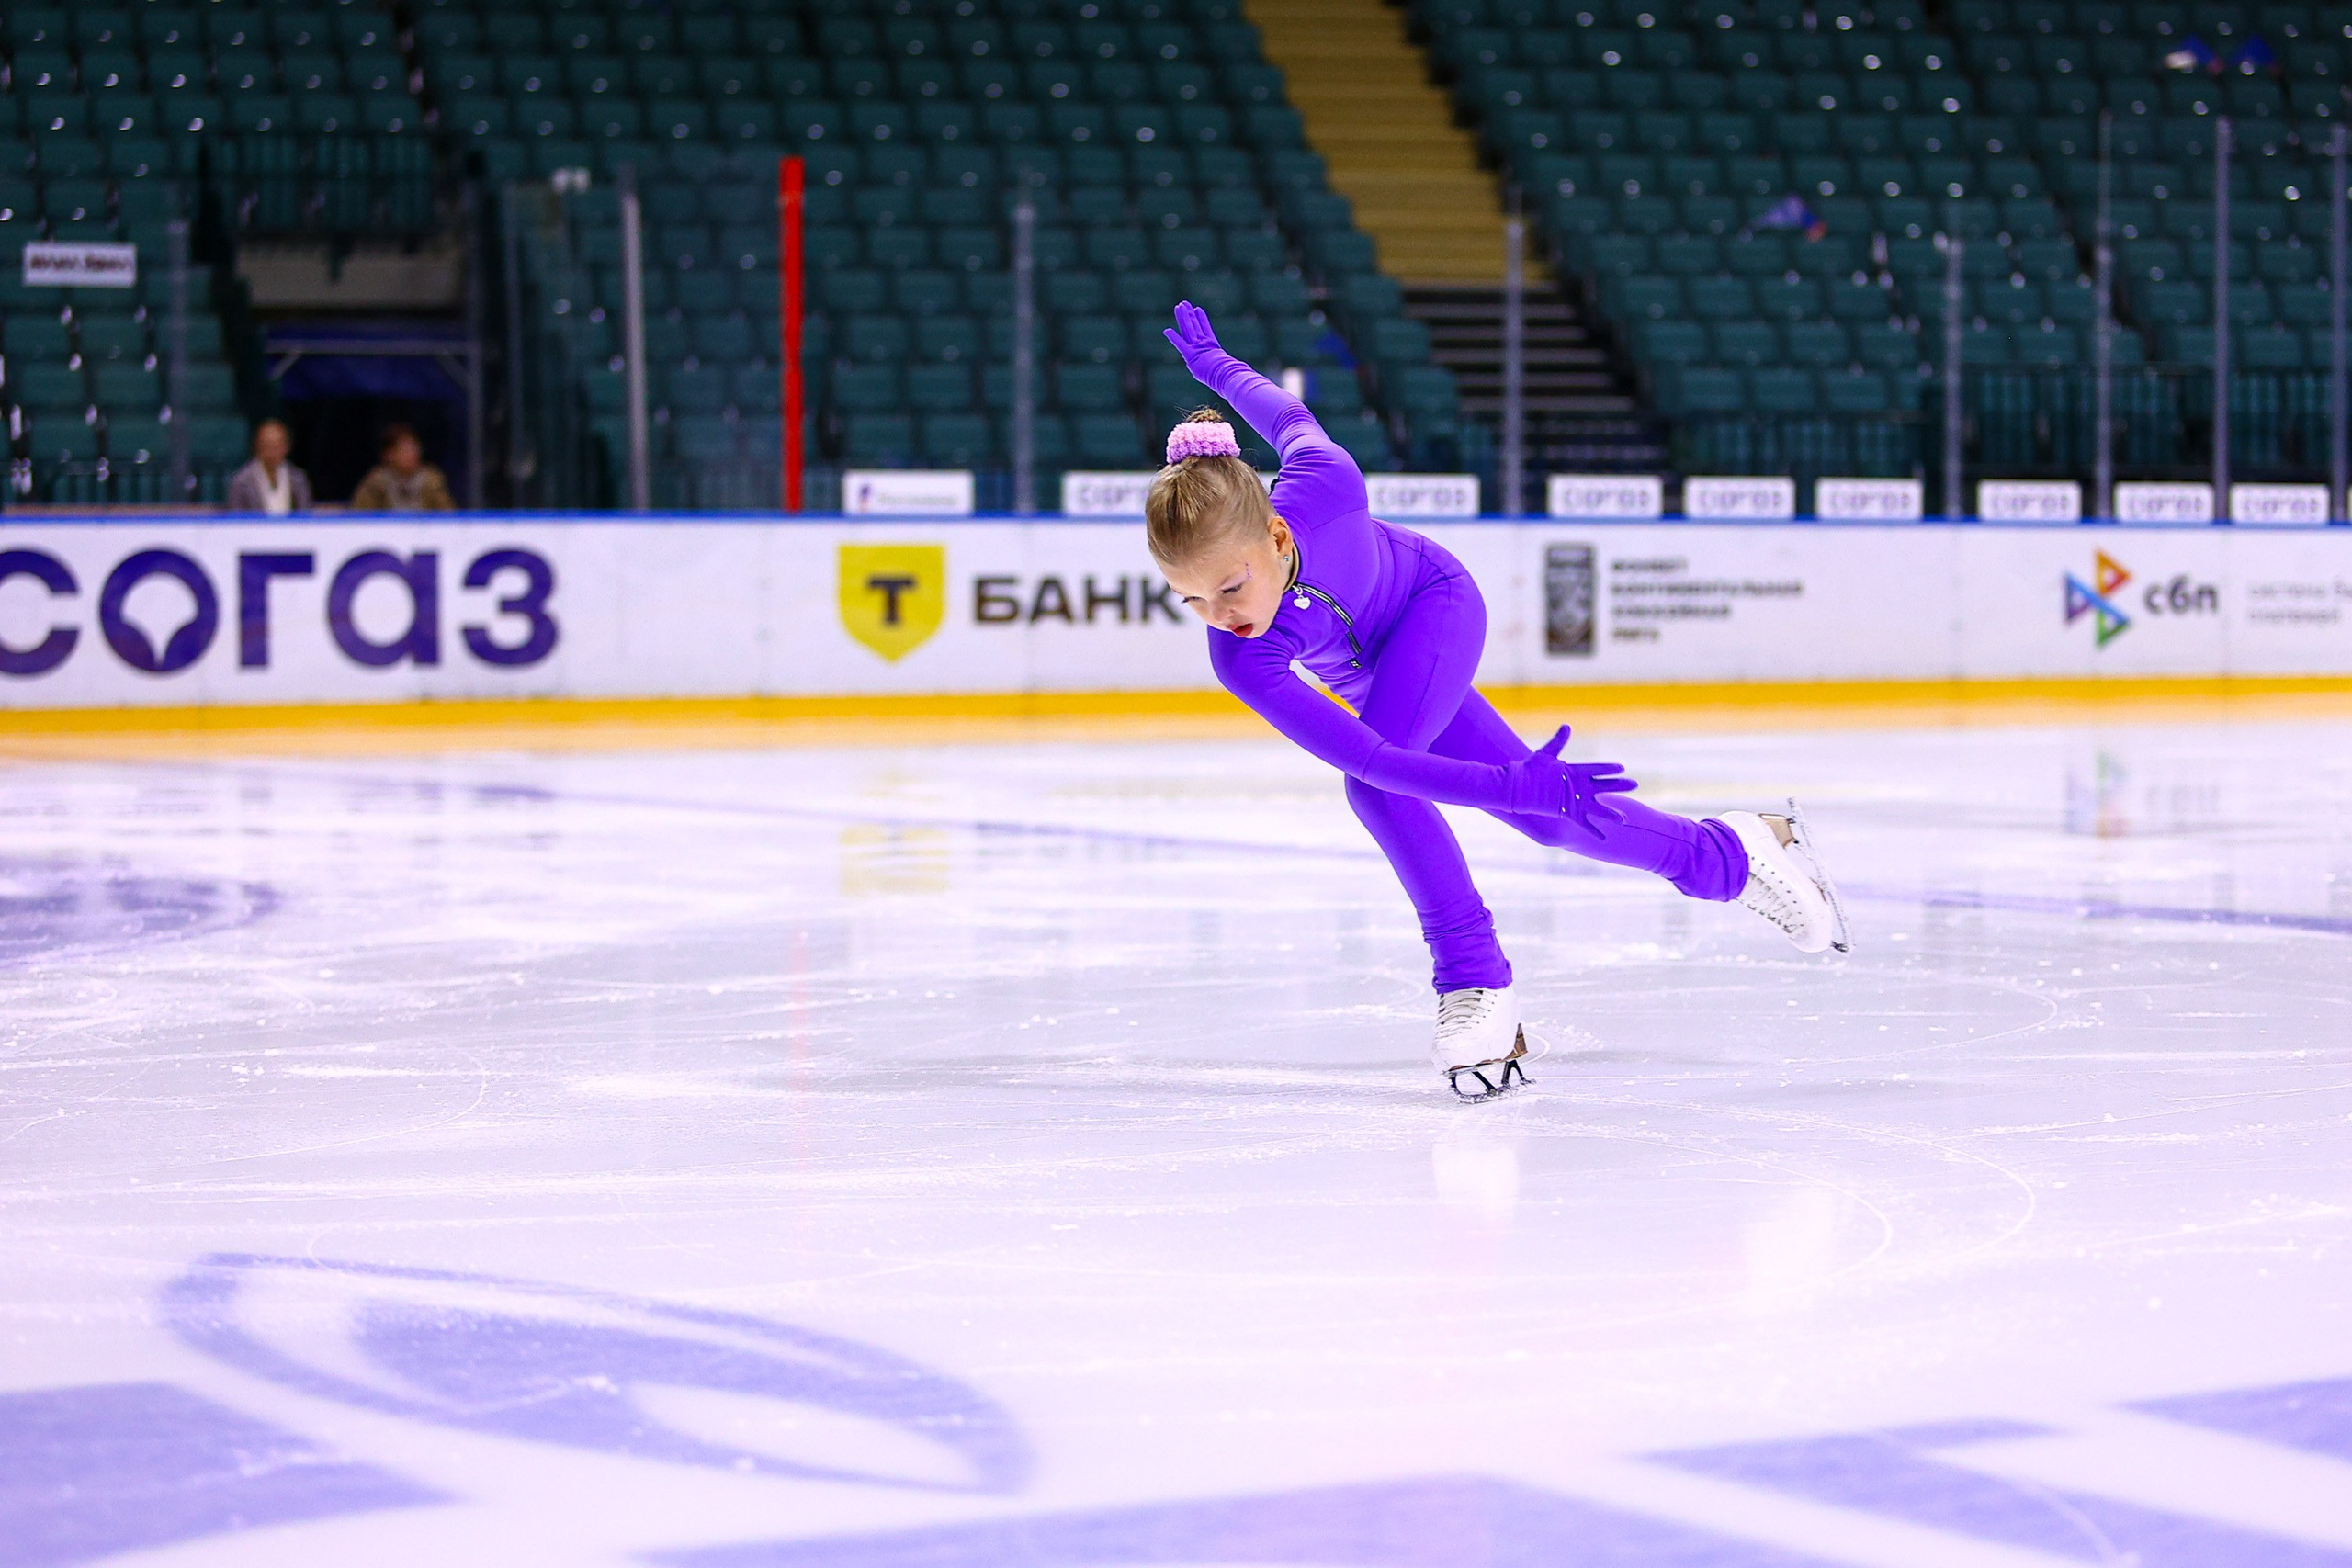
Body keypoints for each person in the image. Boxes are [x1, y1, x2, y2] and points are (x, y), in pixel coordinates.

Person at [1151, 301, 1849, 1100]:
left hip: (1433, 608)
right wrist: (1511, 786)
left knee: (1376, 795)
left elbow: (1289, 416)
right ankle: (1733, 852)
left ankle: (1472, 978)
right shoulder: (1240, 656)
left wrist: (1218, 371)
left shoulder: (1329, 485)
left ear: (1277, 537)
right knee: (1545, 822)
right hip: (1373, 683)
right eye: (1191, 601)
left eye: (1230, 587)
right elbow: (1377, 750)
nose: (1221, 616)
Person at [350, 423, 456, 512]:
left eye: (414, 449)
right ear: (389, 454)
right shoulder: (375, 486)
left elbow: (449, 517)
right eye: (404, 450)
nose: (411, 454)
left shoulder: (431, 483)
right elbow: (360, 519)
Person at [223, 419, 312, 515]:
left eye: (277, 446)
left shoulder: (298, 479)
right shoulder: (241, 481)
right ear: (257, 446)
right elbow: (236, 519)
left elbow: (305, 514)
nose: (272, 452)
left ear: (286, 447)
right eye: (267, 445)